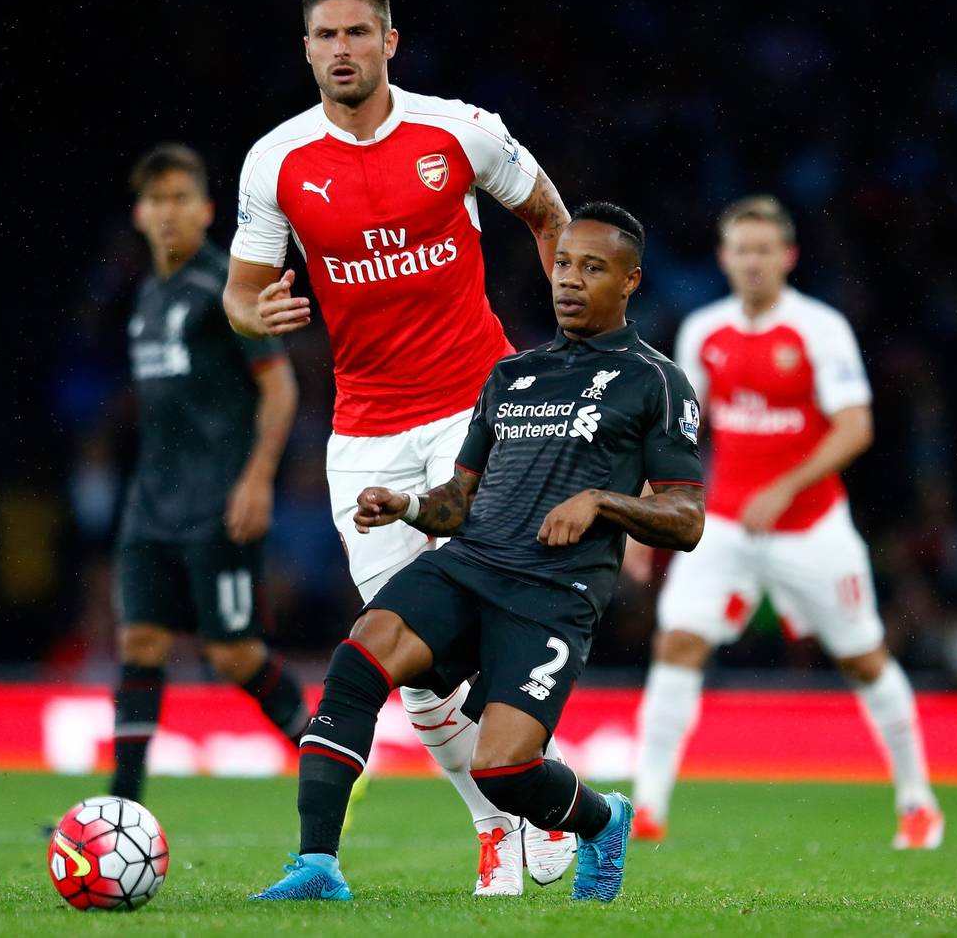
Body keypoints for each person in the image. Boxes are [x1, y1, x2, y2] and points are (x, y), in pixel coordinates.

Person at [222, 0, 575, 894]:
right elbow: (238, 298)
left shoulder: (460, 132)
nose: (342, 49)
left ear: (388, 41)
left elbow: (548, 219)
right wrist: (262, 315)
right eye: (325, 36)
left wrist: (575, 345)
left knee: (485, 628)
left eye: (356, 32)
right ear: (306, 50)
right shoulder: (277, 161)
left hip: (476, 408)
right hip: (365, 435)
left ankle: (538, 799)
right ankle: (498, 821)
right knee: (408, 656)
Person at [250, 203, 705, 902]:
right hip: (469, 564)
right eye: (561, 264)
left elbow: (686, 515)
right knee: (359, 658)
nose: (569, 280)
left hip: (554, 593)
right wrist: (404, 507)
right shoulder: (511, 375)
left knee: (503, 769)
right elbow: (455, 503)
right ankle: (317, 864)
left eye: (592, 267)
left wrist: (604, 503)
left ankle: (602, 818)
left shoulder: (655, 381)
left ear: (630, 280)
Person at [626, 195, 944, 849]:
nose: (751, 261)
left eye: (763, 250)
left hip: (811, 525)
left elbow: (856, 426)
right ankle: (648, 806)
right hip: (725, 525)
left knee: (861, 657)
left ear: (787, 256)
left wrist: (786, 484)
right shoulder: (703, 330)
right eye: (740, 250)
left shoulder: (818, 328)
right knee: (677, 642)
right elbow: (679, 431)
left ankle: (917, 801)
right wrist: (641, 510)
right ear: (723, 257)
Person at [109, 143, 308, 802]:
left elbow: (280, 388)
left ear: (206, 209)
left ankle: (320, 753)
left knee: (231, 653)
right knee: (138, 639)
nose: (168, 213)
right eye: (156, 200)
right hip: (150, 503)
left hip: (218, 502)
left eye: (180, 199)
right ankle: (122, 802)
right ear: (139, 213)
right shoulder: (147, 294)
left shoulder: (225, 289)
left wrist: (257, 479)